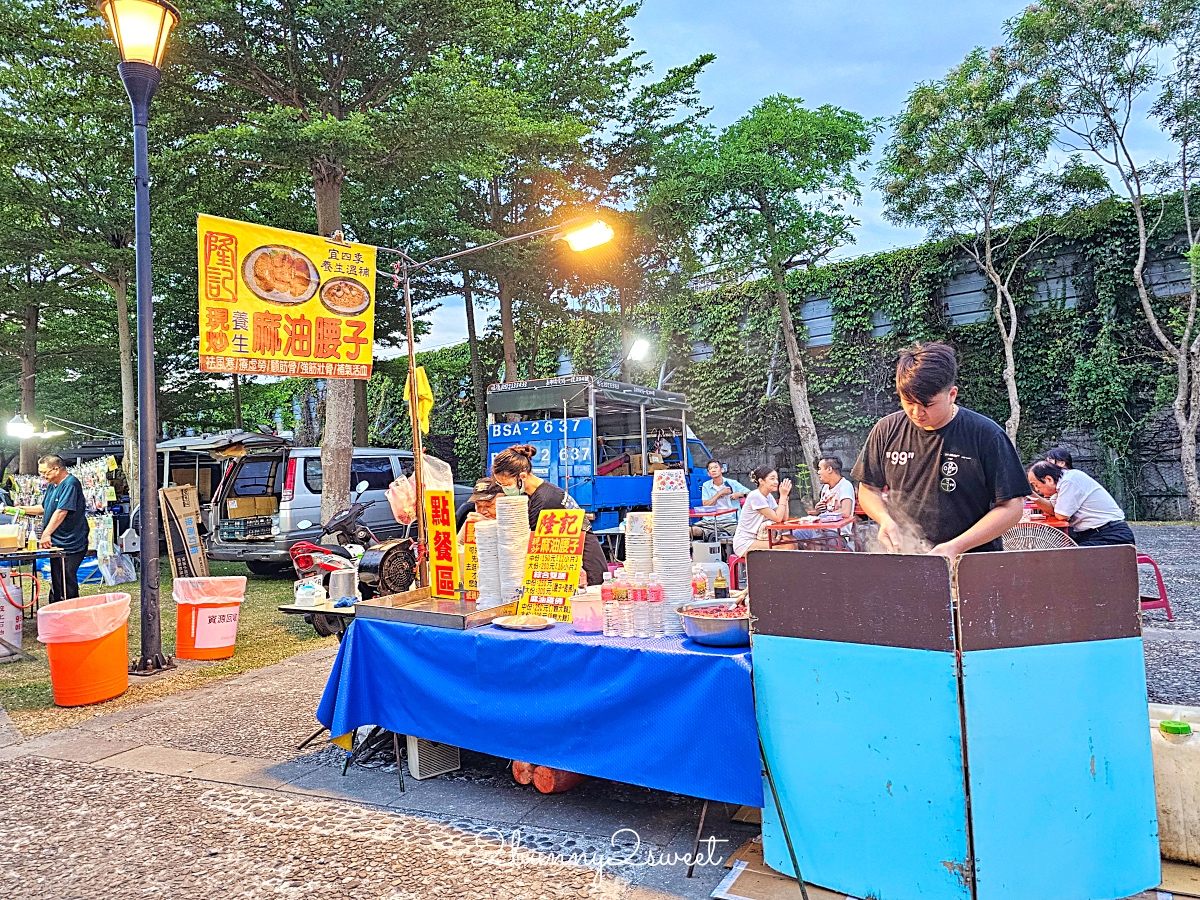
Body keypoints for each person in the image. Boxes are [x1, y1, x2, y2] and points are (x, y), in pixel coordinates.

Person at [852, 342, 1027, 556]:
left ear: (952, 394)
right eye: (908, 402)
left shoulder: (986, 435)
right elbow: (869, 488)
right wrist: (884, 518)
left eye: (927, 404)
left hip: (970, 559)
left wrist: (956, 546)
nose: (916, 413)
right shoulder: (886, 430)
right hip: (906, 555)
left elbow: (1012, 507)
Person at [490, 445, 607, 587]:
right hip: (575, 560)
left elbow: (526, 542)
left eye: (506, 484)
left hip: (585, 565)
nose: (504, 488)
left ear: (522, 477)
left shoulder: (545, 500)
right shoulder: (538, 493)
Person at [21, 455, 90, 603]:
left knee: (67, 579)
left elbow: (61, 511)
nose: (43, 476)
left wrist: (46, 533)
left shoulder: (70, 484)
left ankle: (71, 611)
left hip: (71, 542)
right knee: (57, 579)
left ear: (56, 469)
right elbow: (44, 508)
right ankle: (56, 608)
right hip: (57, 544)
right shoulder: (53, 486)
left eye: (45, 472)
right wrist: (20, 509)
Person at [1026, 461, 1135, 546]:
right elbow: (1051, 509)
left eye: (1036, 485)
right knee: (1057, 553)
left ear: (1048, 479)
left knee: (1067, 560)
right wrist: (1029, 494)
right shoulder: (1062, 483)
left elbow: (1061, 515)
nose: (1037, 490)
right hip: (1094, 534)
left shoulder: (1070, 481)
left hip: (1111, 535)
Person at [731, 466, 793, 557]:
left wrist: (785, 496)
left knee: (791, 539)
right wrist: (783, 496)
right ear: (761, 481)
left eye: (777, 479)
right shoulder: (755, 496)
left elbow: (784, 517)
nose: (776, 482)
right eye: (772, 479)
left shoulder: (769, 496)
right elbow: (777, 518)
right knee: (788, 546)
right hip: (745, 542)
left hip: (762, 538)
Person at [690, 459, 750, 539]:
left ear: (722, 470)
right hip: (709, 522)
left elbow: (751, 494)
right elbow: (706, 504)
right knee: (689, 530)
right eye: (710, 469)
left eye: (715, 467)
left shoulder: (732, 483)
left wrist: (741, 494)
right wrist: (720, 493)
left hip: (730, 521)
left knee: (744, 534)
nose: (713, 470)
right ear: (708, 473)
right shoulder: (706, 485)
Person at [808, 456, 857, 547]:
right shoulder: (825, 488)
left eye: (820, 468)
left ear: (829, 469)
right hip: (821, 529)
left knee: (816, 541)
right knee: (795, 535)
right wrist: (818, 510)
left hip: (837, 533)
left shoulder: (845, 486)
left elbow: (846, 512)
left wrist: (823, 516)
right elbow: (825, 511)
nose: (818, 473)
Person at [457, 477, 501, 545]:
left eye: (488, 506)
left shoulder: (515, 519)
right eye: (478, 506)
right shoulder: (474, 520)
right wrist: (466, 529)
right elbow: (457, 547)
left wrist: (490, 525)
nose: (482, 511)